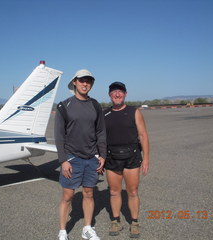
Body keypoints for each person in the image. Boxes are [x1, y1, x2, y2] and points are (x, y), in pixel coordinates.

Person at [55, 69, 107, 240]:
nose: (85, 84)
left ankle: (87, 228)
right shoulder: (64, 106)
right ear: (75, 83)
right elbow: (59, 136)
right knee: (68, 195)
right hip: (72, 158)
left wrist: (102, 155)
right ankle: (62, 231)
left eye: (88, 81)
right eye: (82, 80)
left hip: (91, 158)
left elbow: (100, 132)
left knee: (89, 193)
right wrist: (63, 160)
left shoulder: (95, 105)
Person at [103, 82, 150, 238]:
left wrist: (146, 159)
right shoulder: (104, 114)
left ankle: (134, 222)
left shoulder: (134, 112)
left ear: (125, 94)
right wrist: (100, 158)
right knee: (114, 191)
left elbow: (143, 136)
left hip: (132, 157)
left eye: (120, 92)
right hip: (112, 158)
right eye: (114, 92)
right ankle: (115, 221)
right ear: (109, 95)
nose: (117, 94)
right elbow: (100, 139)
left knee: (133, 191)